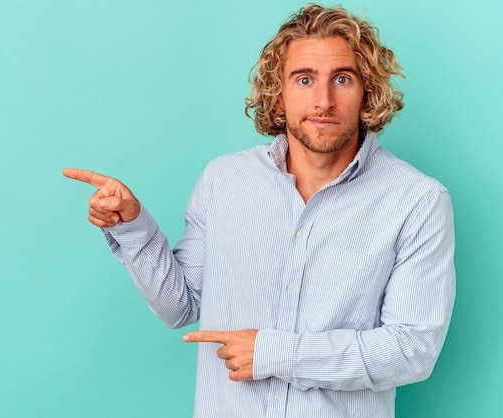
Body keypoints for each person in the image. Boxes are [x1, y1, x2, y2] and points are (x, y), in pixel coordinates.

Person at [63, 4, 455, 417]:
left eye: (342, 79)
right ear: (279, 93)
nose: (324, 100)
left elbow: (413, 349)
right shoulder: (224, 180)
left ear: (367, 92)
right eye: (304, 79)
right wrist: (132, 227)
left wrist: (275, 354)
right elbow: (179, 306)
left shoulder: (417, 200)